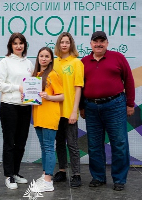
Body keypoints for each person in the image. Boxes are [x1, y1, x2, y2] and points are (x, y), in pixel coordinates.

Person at [79, 31, 135, 191]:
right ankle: (98, 177)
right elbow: (80, 86)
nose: (98, 44)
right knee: (94, 144)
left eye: (102, 41)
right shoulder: (83, 62)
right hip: (90, 107)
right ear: (90, 44)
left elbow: (129, 80)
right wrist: (82, 106)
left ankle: (119, 179)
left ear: (107, 43)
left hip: (115, 105)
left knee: (119, 142)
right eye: (95, 41)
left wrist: (130, 104)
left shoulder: (118, 57)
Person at [0, 32, 34, 190]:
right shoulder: (5, 62)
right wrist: (18, 87)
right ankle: (8, 175)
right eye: (15, 43)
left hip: (25, 107)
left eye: (21, 43)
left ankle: (16, 172)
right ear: (10, 45)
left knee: (21, 142)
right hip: (9, 106)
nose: (18, 46)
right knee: (10, 142)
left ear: (24, 45)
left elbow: (32, 84)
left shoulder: (29, 63)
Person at [53, 32, 84, 188]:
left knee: (72, 144)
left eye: (67, 42)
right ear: (58, 45)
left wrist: (74, 111)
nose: (64, 45)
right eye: (61, 42)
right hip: (55, 111)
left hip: (69, 110)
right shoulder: (54, 63)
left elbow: (78, 88)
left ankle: (76, 174)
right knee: (59, 143)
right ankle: (62, 170)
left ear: (71, 44)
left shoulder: (77, 63)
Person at [32, 47, 64, 192]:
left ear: (51, 59)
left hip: (50, 116)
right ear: (38, 58)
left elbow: (62, 96)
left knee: (49, 147)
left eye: (46, 56)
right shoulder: (36, 74)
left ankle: (48, 181)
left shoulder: (53, 74)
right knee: (44, 147)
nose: (43, 58)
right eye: (41, 56)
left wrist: (49, 97)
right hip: (38, 116)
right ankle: (45, 174)